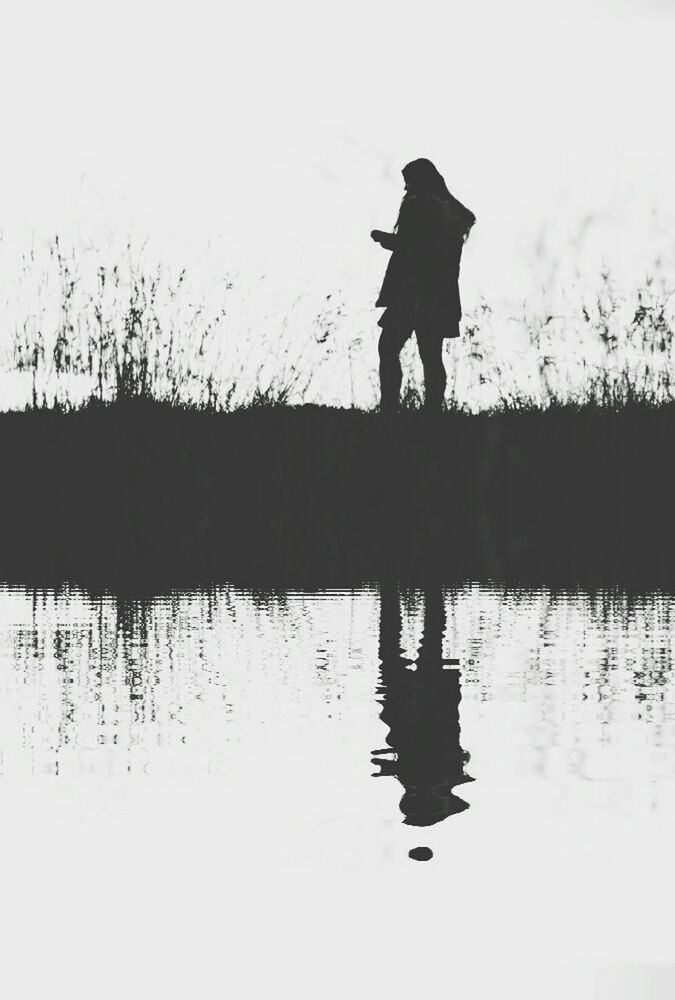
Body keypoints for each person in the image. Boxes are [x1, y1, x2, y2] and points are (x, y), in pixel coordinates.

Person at [371, 158, 475, 412]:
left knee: (390, 348)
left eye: (409, 182)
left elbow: (414, 246)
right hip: (436, 294)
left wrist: (387, 239)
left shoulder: (420, 206)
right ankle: (431, 413)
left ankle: (390, 410)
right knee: (430, 355)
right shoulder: (447, 209)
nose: (406, 189)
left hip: (413, 294)